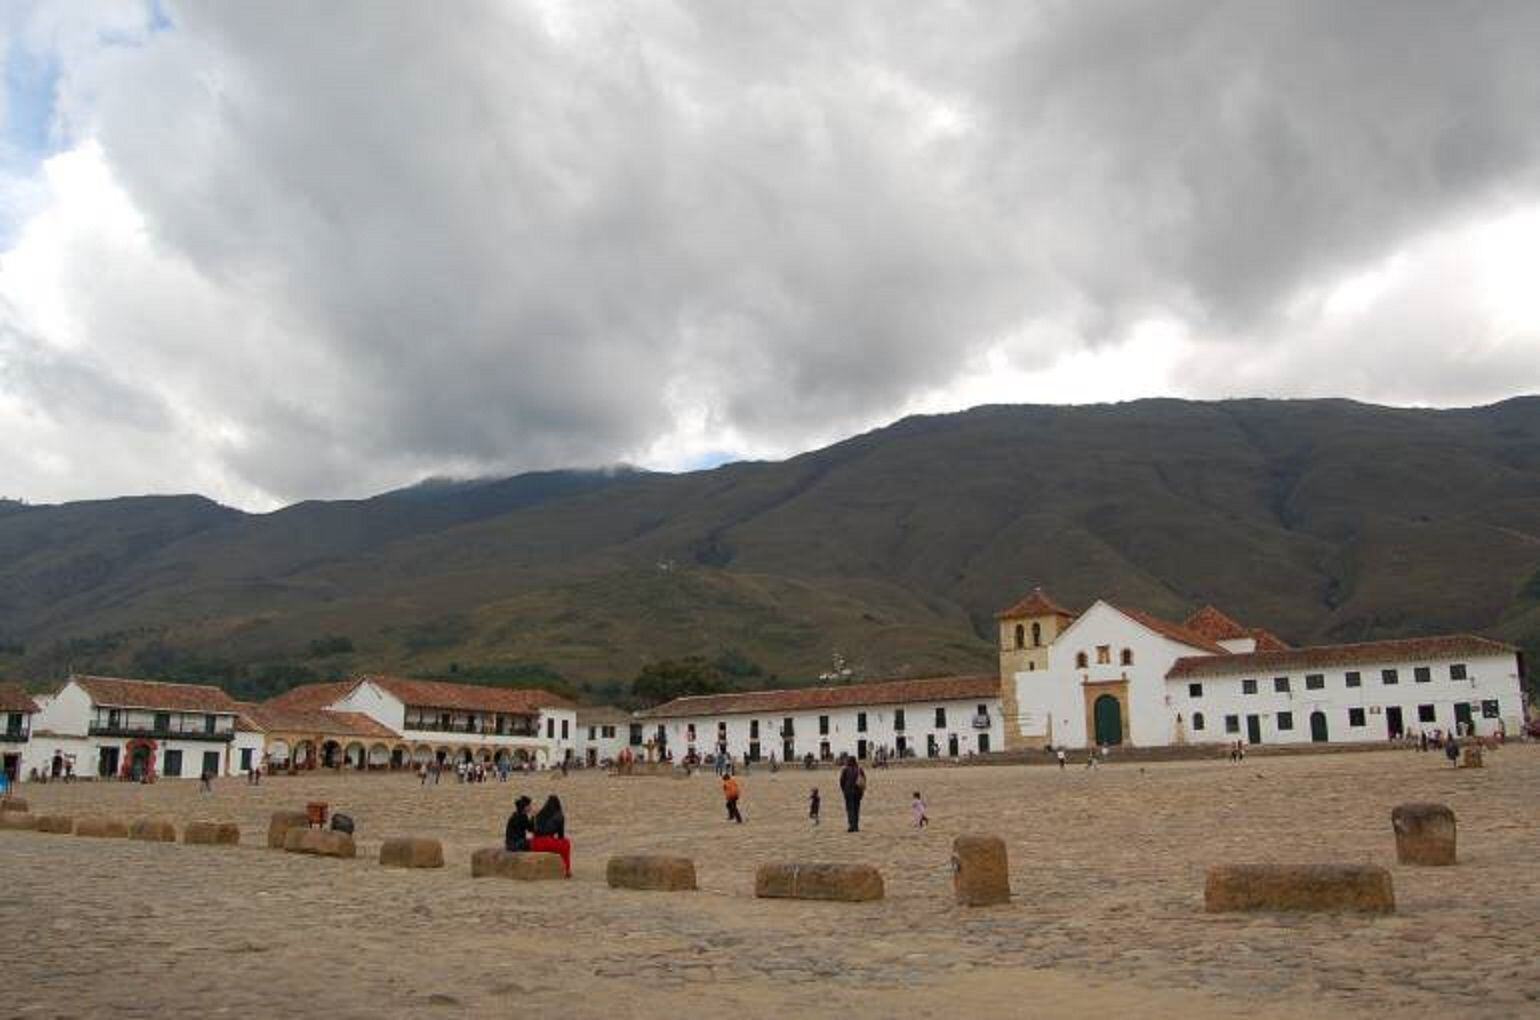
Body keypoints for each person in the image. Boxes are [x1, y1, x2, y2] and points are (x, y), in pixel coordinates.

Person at [531, 795, 572, 877]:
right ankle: (567, 869)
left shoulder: (541, 813)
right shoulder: (559, 815)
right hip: (547, 842)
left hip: (535, 842)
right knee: (566, 843)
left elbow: (534, 830)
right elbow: (561, 836)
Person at [838, 754, 866, 832]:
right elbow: (864, 781)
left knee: (850, 809)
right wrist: (862, 791)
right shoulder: (859, 769)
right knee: (856, 809)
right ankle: (856, 826)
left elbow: (841, 781)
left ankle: (851, 826)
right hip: (858, 792)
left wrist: (844, 790)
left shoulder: (845, 770)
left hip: (848, 792)